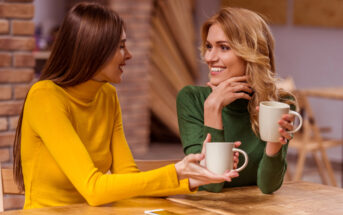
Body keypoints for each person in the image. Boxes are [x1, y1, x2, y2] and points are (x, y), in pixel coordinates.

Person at [13, 3, 239, 209]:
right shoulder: (45, 97)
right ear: (94, 50)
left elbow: (127, 175)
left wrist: (190, 179)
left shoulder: (107, 96)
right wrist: (175, 172)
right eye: (121, 46)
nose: (128, 55)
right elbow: (94, 188)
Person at [177, 7, 296, 194]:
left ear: (251, 52)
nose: (209, 57)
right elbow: (211, 185)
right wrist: (213, 108)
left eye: (223, 47)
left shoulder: (279, 103)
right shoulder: (191, 98)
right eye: (209, 46)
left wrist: (275, 142)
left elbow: (268, 186)